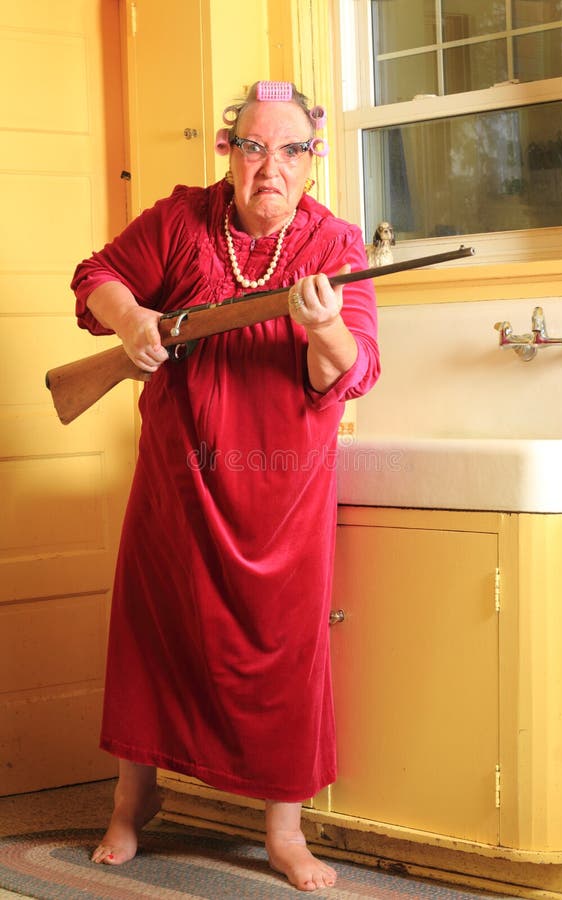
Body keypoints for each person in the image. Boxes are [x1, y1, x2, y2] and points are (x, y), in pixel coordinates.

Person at [71, 80, 380, 893]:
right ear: (228, 152)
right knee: (153, 635)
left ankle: (285, 833)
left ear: (313, 160)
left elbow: (353, 371)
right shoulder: (179, 220)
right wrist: (133, 320)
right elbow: (96, 273)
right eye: (252, 147)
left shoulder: (336, 245)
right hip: (178, 482)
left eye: (289, 150)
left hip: (283, 496)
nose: (268, 167)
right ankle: (132, 806)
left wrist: (324, 327)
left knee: (286, 656)